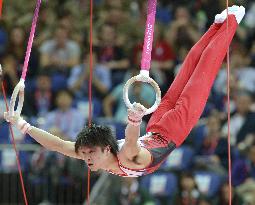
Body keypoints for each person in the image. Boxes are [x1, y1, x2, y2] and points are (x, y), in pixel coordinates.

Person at [4, 6, 245, 177]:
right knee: (198, 72)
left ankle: (225, 23)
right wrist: (133, 120)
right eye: (87, 153)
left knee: (192, 70)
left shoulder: (113, 155)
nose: (86, 157)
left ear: (105, 149)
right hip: (172, 130)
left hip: (156, 127)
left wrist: (23, 125)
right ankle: (224, 24)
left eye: (89, 153)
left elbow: (58, 144)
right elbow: (62, 144)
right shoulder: (120, 156)